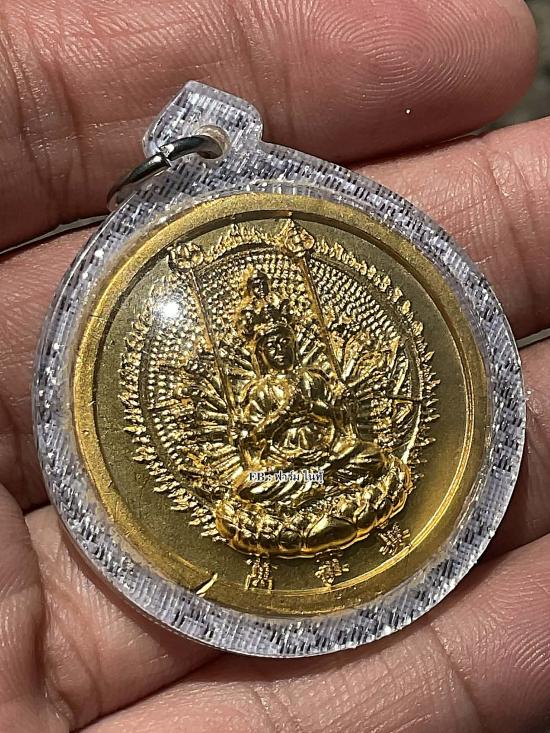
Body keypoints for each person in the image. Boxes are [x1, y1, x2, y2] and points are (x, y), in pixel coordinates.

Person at [0, 0, 548, 730]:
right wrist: (278, 440)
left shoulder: (314, 372)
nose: (277, 347)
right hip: (275, 489)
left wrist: (328, 429)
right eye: (266, 341)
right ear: (253, 345)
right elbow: (254, 454)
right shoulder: (253, 388)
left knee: (373, 465)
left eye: (283, 337)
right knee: (249, 497)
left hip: (340, 470)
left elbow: (345, 433)